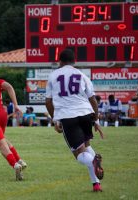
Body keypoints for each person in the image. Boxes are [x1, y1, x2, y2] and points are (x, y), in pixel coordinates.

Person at [45, 49, 104, 192]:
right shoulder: (82, 75)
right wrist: (96, 120)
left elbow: (48, 102)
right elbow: (93, 100)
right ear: (74, 61)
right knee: (87, 147)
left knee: (79, 155)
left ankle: (93, 161)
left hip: (68, 116)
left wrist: (55, 120)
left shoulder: (53, 76)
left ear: (60, 61)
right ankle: (96, 184)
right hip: (85, 115)